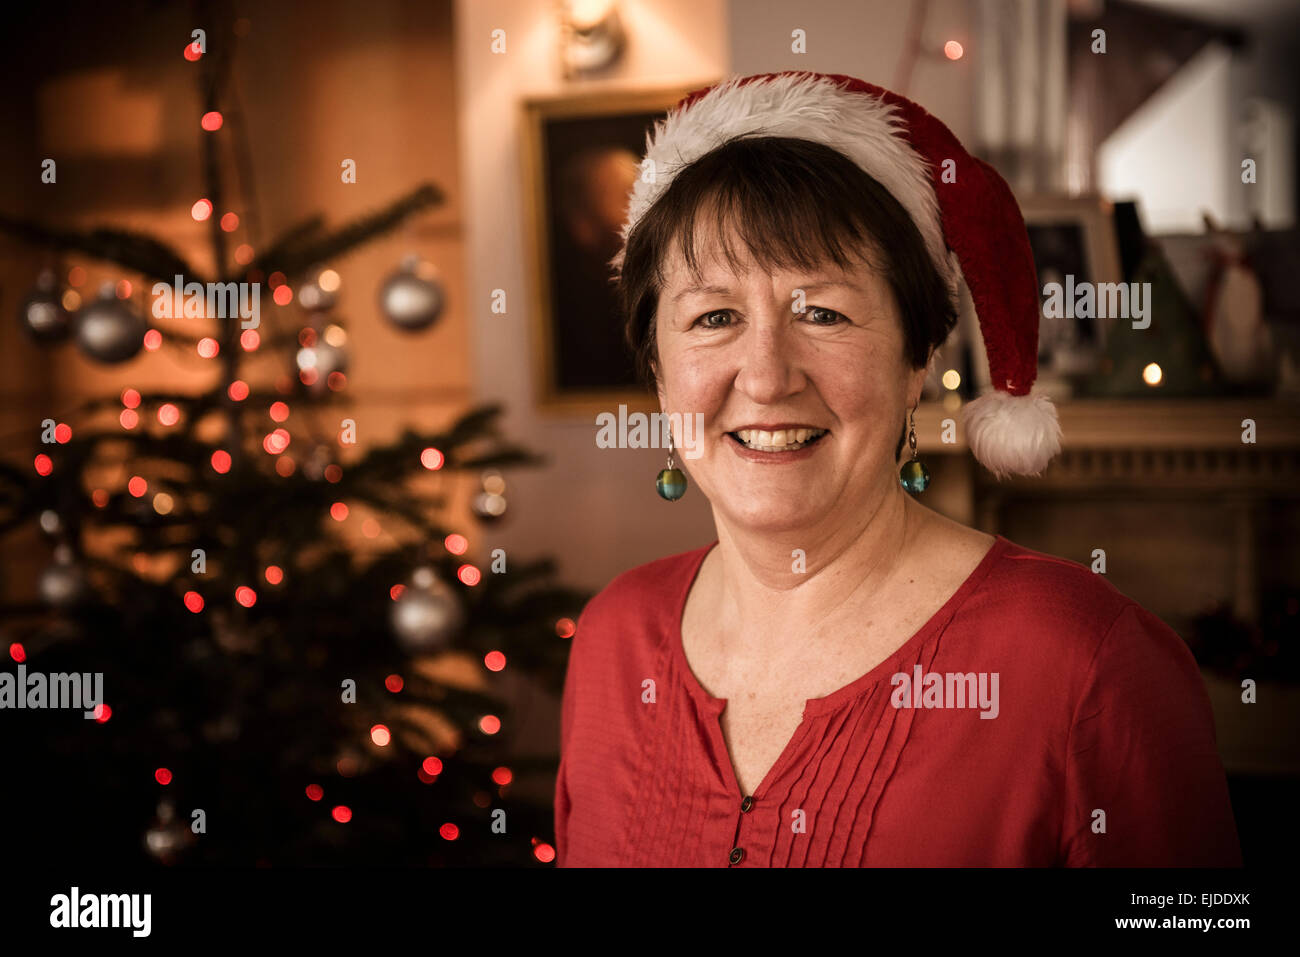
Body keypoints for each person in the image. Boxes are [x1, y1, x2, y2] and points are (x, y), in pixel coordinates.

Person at [553, 72, 1242, 867]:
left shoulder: (1087, 664)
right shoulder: (611, 638)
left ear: (917, 358)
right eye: (713, 317)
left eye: (824, 312)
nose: (768, 376)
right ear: (659, 366)